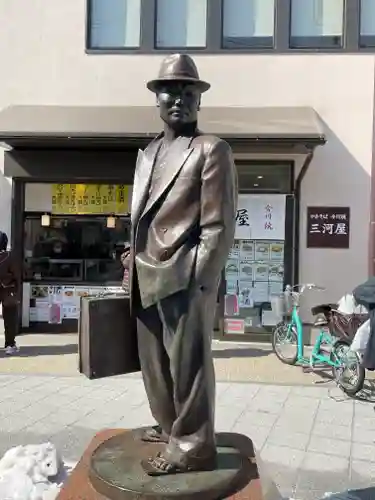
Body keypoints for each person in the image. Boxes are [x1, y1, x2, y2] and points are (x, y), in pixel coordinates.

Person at [128, 54, 237, 475]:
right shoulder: (149, 152)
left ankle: (193, 446)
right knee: (155, 366)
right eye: (170, 91)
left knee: (189, 368)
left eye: (188, 92)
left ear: (199, 100)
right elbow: (143, 216)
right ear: (156, 98)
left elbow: (218, 226)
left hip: (184, 276)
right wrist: (130, 258)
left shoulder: (211, 150)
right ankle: (171, 425)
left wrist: (200, 283)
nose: (179, 99)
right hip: (145, 272)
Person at [0, 231, 20, 355]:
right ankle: (10, 344)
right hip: (8, 289)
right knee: (10, 318)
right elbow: (17, 274)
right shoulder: (9, 256)